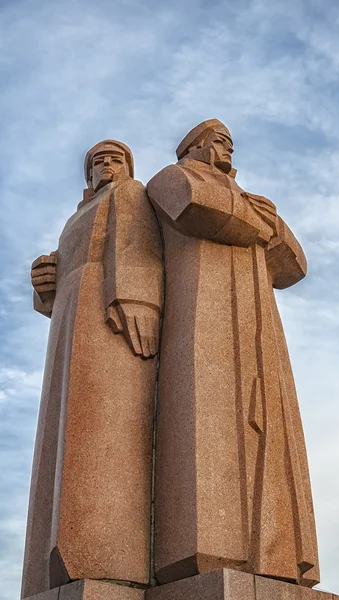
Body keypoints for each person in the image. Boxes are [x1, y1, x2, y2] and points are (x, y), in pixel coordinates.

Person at [147, 120, 320, 588]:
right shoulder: (172, 177)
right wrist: (260, 220)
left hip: (259, 321)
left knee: (267, 423)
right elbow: (195, 208)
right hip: (202, 312)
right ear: (195, 148)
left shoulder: (253, 201)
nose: (227, 149)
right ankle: (208, 546)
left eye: (229, 143)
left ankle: (275, 556)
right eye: (219, 141)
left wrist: (270, 222)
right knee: (212, 417)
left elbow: (294, 267)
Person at [21, 140, 163, 598]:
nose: (106, 164)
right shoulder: (74, 219)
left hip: (109, 310)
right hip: (70, 320)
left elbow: (137, 245)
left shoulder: (130, 194)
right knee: (65, 430)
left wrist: (137, 298)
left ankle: (102, 550)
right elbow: (60, 282)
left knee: (102, 422)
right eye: (98, 160)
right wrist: (47, 284)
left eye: (115, 158)